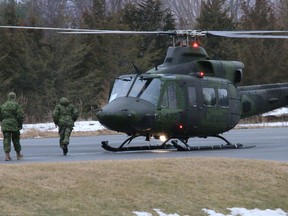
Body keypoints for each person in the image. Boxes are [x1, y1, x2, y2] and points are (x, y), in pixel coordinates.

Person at [0, 92, 25, 161]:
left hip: (5, 124)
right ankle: (18, 154)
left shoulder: (3, 105)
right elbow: (20, 115)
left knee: (6, 140)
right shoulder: (16, 105)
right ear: (14, 97)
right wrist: (20, 123)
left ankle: (7, 156)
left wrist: (3, 121)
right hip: (14, 124)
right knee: (16, 139)